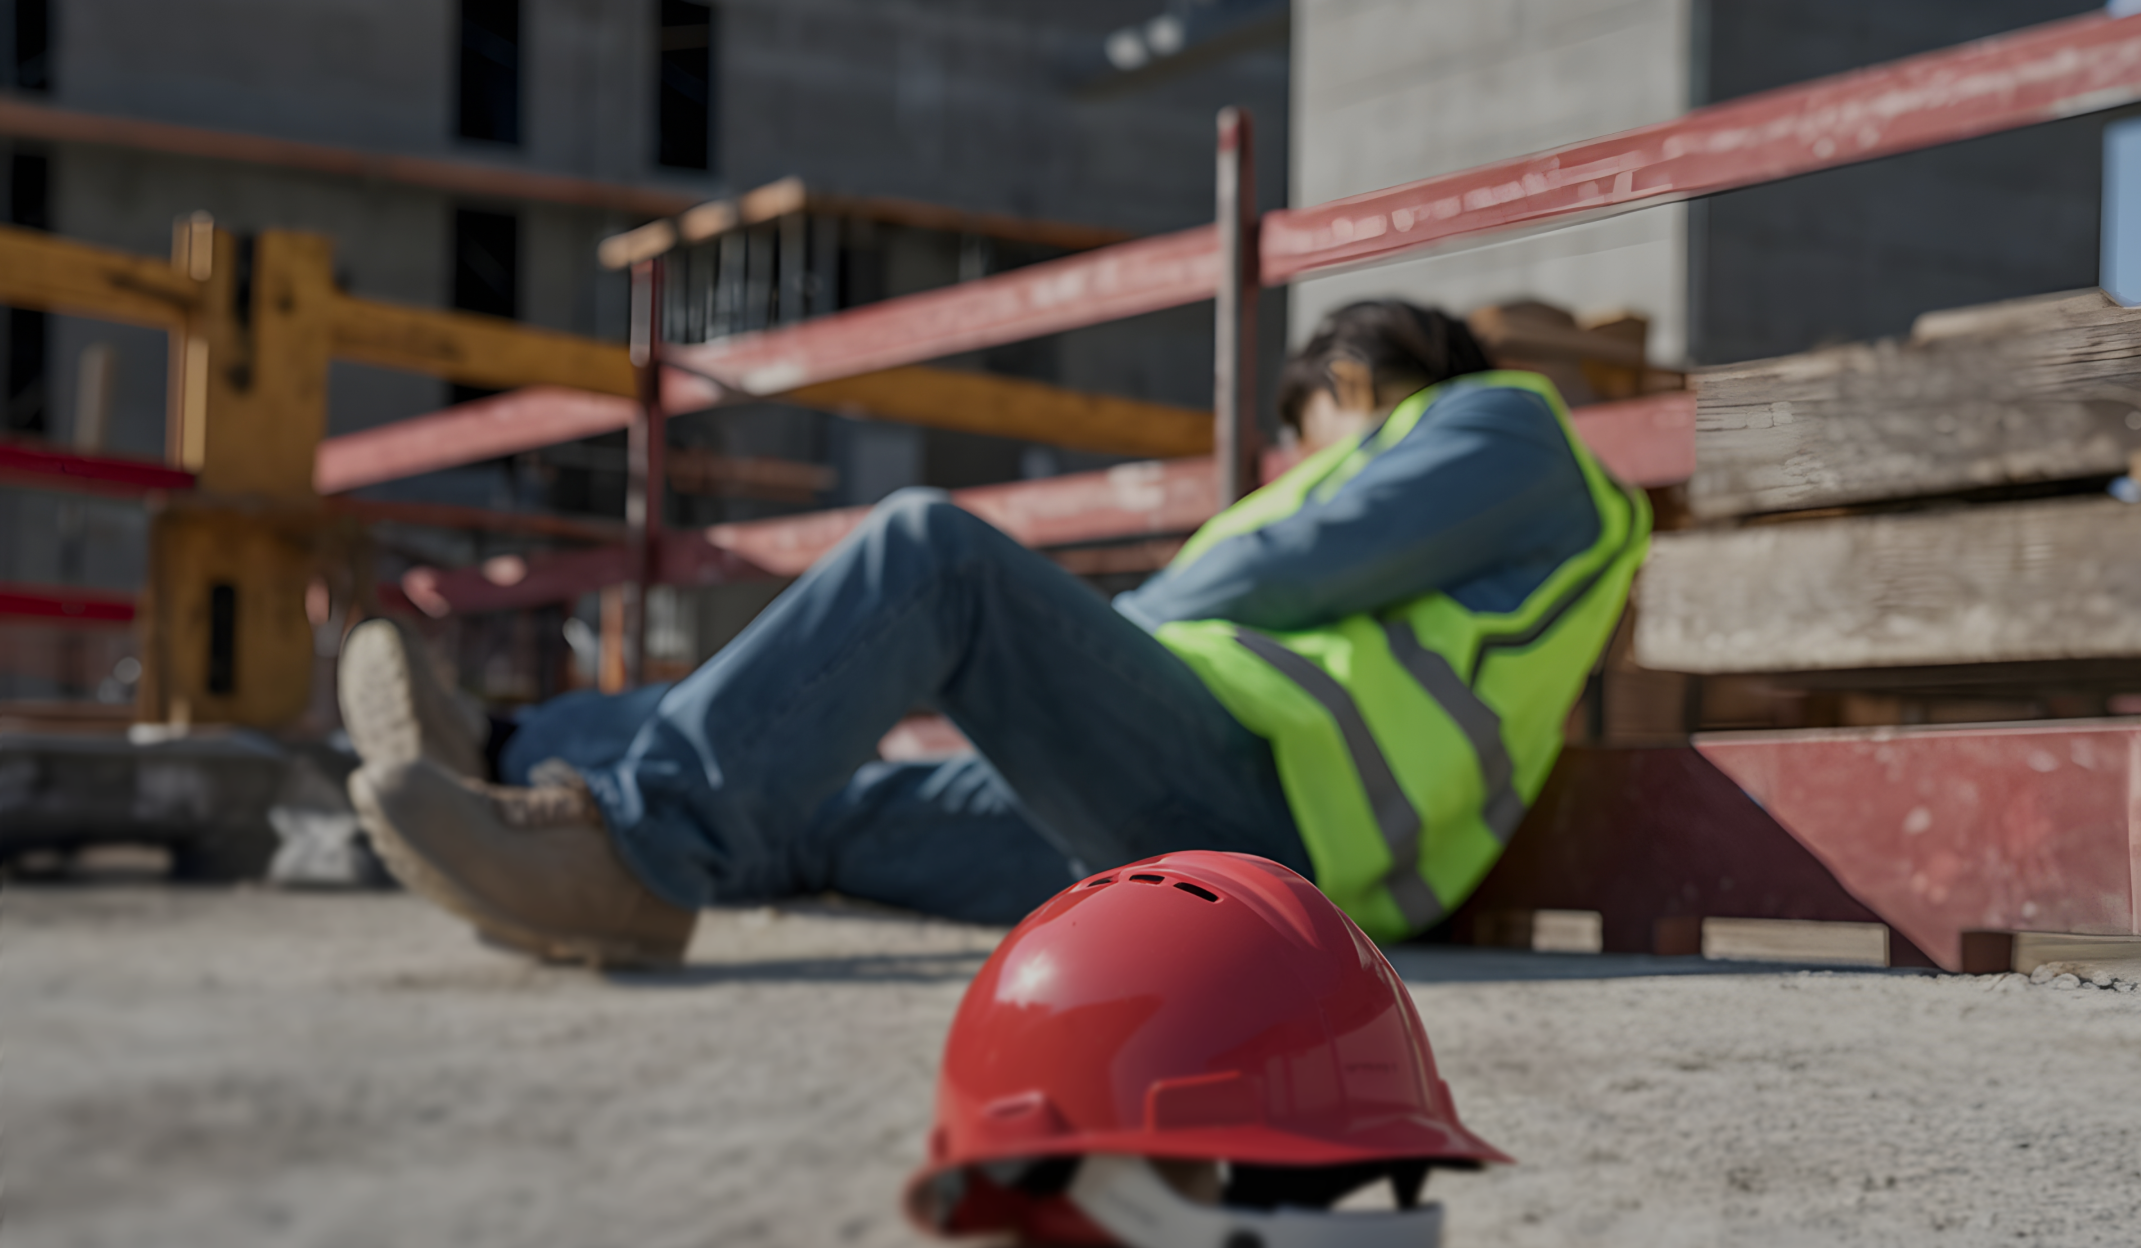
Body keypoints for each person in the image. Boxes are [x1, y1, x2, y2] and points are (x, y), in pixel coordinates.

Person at [344, 299, 1650, 967]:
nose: (1303, 467)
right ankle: (514, 755)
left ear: (1358, 387)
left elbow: (1283, 567)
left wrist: (1078, 654)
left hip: (1266, 817)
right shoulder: (1512, 493)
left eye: (1311, 439)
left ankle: (629, 858)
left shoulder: (1507, 427)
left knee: (935, 561)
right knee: (828, 806)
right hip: (1237, 852)